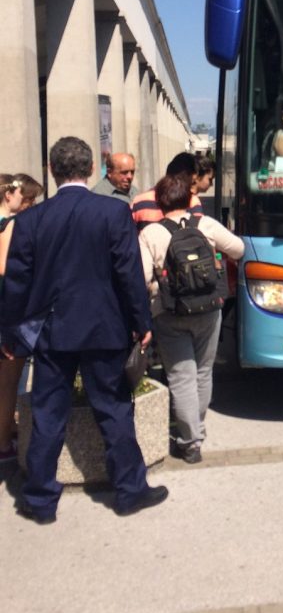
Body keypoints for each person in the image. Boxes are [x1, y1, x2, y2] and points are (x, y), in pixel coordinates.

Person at [0, 136, 168, 522]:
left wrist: (9, 332)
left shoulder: (30, 220)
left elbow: (16, 283)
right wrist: (141, 322)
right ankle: (130, 491)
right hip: (104, 328)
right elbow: (128, 273)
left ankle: (40, 500)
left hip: (51, 331)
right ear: (93, 169)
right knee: (114, 410)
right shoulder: (113, 212)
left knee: (47, 415)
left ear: (51, 170)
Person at [139, 174, 244, 464]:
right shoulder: (205, 224)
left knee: (181, 376)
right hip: (209, 308)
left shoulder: (150, 233)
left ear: (159, 202)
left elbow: (142, 275)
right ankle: (196, 431)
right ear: (189, 198)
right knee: (203, 372)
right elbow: (238, 248)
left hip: (169, 311)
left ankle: (191, 442)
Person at [0, 173, 43, 461]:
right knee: (8, 382)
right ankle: (3, 443)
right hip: (7, 311)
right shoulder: (10, 224)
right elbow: (5, 269)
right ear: (10, 195)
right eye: (27, 199)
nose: (30, 205)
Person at [131, 152, 207, 230]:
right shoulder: (192, 201)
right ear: (187, 177)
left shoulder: (139, 201)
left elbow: (130, 234)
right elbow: (199, 233)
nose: (193, 186)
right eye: (193, 181)